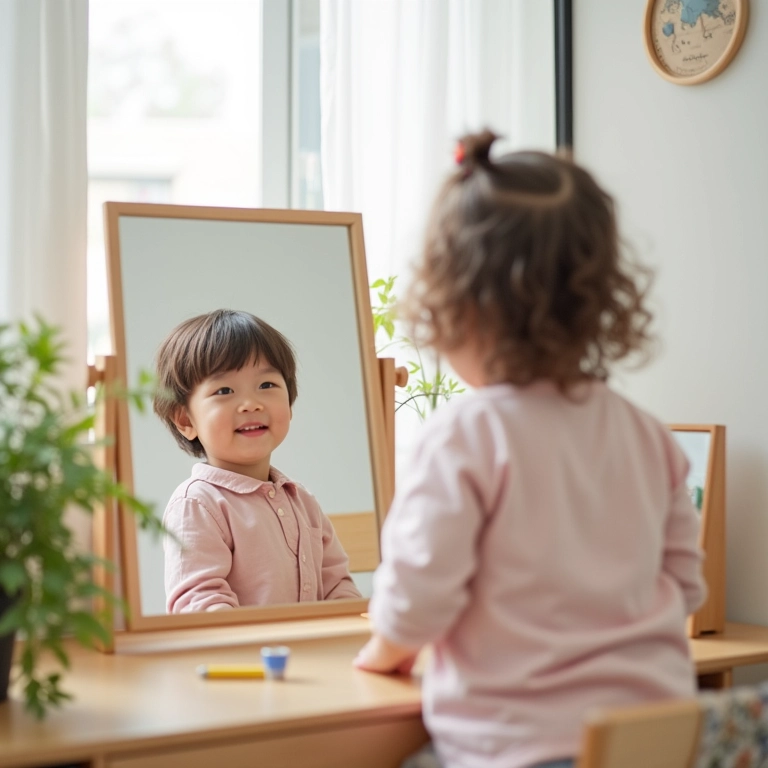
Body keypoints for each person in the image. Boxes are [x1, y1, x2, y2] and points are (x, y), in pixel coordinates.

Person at [354, 131, 707, 768]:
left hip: (517, 746)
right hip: (653, 739)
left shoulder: (465, 434)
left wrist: (383, 652)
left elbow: (418, 597)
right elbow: (683, 585)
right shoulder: (646, 433)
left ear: (458, 306)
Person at [153, 309, 361, 613]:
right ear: (186, 419)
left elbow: (338, 587)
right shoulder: (197, 505)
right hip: (237, 646)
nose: (251, 404)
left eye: (266, 385)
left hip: (317, 645)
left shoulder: (303, 502)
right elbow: (201, 606)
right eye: (224, 390)